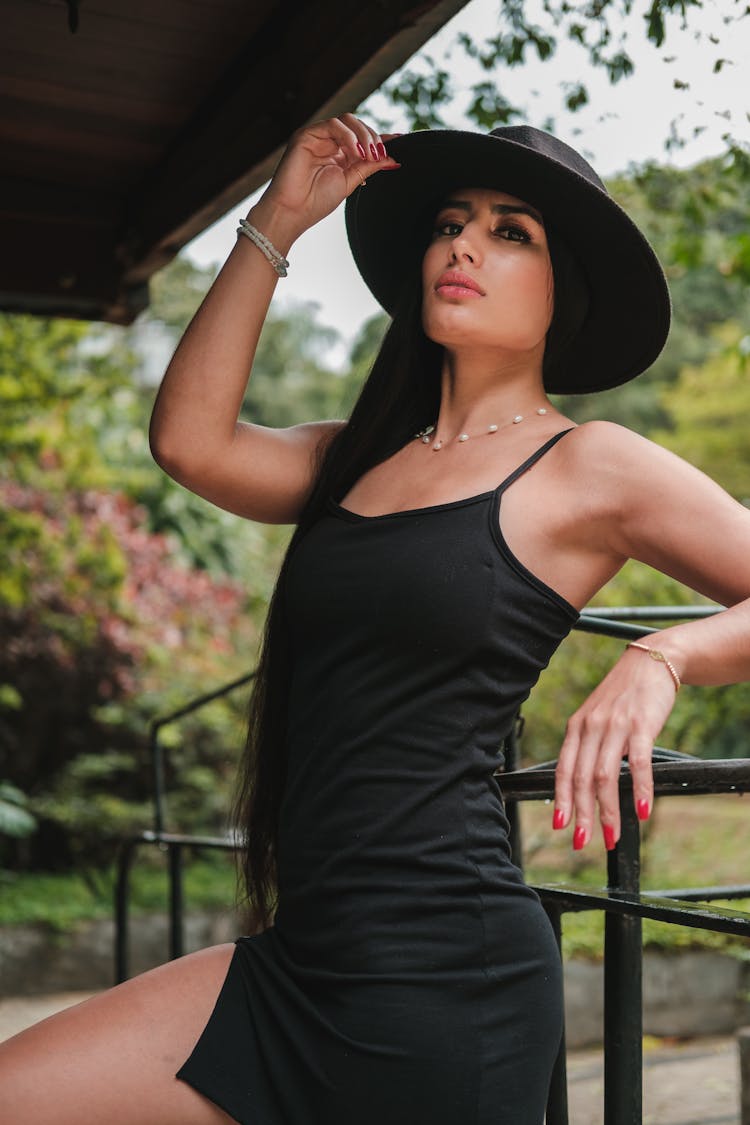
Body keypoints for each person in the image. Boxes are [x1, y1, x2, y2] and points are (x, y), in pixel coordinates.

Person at [2, 111, 750, 1125]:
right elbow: (188, 440)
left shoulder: (590, 464)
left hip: (446, 978)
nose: (464, 244)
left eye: (510, 231)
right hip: (301, 961)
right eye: (451, 222)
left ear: (559, 288)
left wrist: (665, 657)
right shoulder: (347, 456)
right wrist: (280, 218)